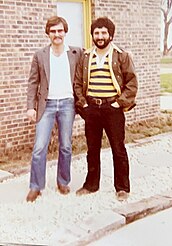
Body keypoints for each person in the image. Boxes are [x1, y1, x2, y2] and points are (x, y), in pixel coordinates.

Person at [74, 17, 138, 201]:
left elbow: (132, 83)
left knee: (118, 148)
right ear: (92, 35)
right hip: (92, 109)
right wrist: (84, 104)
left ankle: (122, 188)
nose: (100, 36)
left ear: (110, 34)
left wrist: (119, 103)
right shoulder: (86, 56)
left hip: (113, 109)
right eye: (96, 33)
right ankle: (91, 185)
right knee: (92, 149)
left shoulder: (121, 55)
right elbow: (78, 83)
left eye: (103, 33)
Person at [26, 16, 82, 202]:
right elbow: (33, 82)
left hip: (68, 104)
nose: (57, 34)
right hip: (46, 105)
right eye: (53, 31)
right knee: (39, 147)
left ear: (65, 32)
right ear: (48, 33)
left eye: (60, 30)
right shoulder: (40, 55)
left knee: (65, 145)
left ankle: (63, 182)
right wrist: (30, 107)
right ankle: (36, 186)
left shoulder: (76, 52)